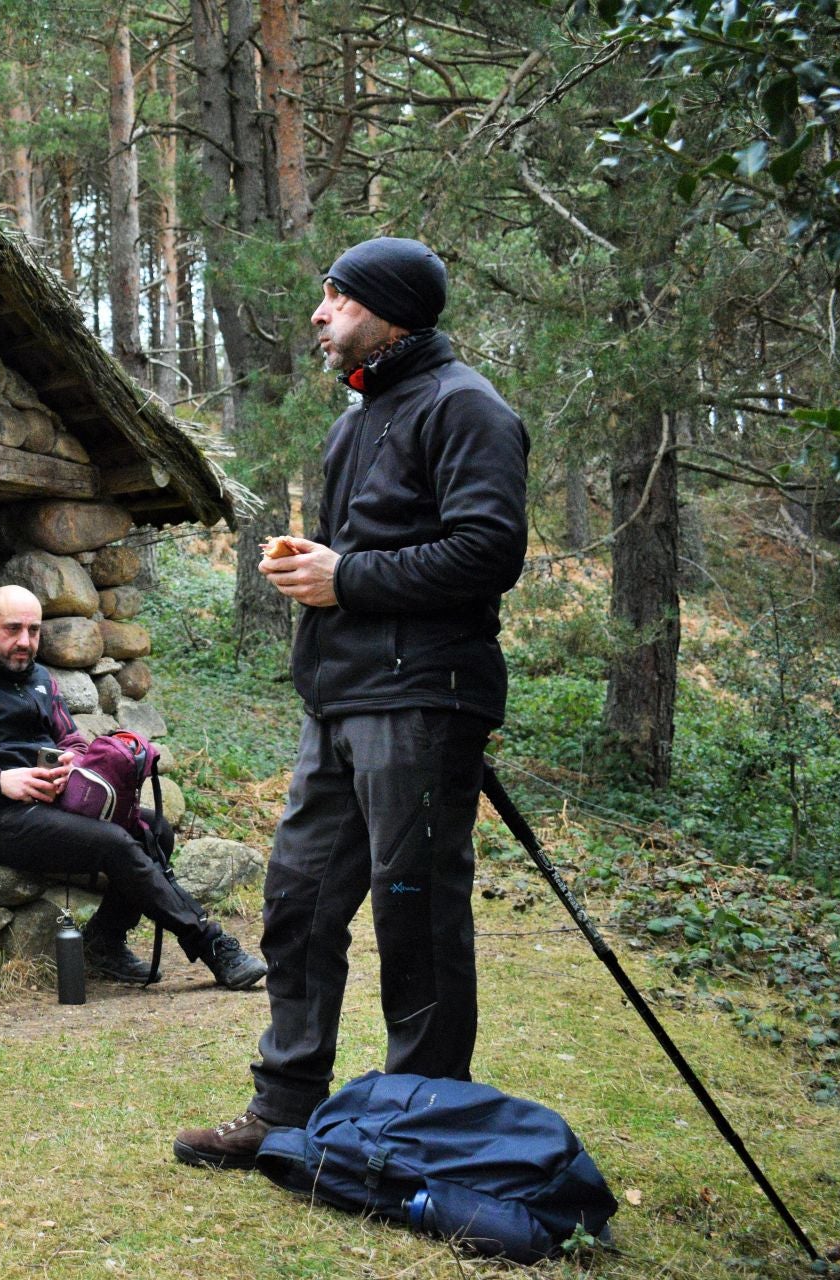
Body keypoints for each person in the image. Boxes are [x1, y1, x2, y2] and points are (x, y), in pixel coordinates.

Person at [173, 237, 529, 1169]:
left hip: (422, 702)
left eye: (338, 297)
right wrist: (315, 565)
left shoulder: (467, 408)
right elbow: (362, 555)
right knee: (296, 900)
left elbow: (490, 552)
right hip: (339, 701)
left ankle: (426, 1130)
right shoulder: (358, 419)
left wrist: (350, 576)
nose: (321, 314)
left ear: (390, 309)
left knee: (415, 913)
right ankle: (284, 1107)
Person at [0, 584, 267, 989]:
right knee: (113, 842)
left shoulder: (39, 677)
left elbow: (73, 740)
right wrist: (1, 780)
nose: (25, 642)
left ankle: (105, 942)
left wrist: (70, 762)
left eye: (34, 630)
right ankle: (210, 944)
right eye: (13, 629)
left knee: (156, 830)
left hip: (51, 804)